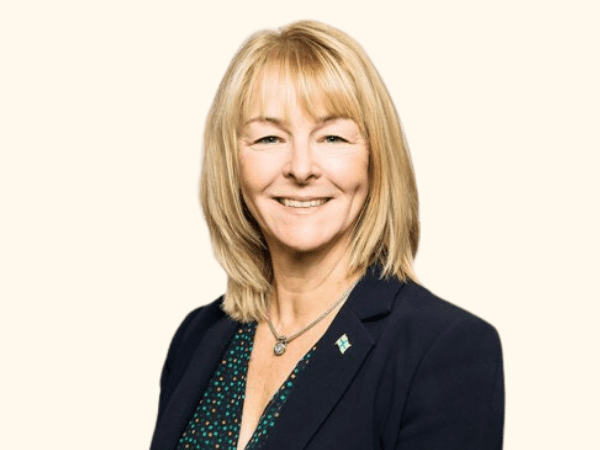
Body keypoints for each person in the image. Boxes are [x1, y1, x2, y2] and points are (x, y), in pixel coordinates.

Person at [149, 20, 504, 450]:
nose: (301, 168)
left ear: (375, 158)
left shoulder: (445, 349)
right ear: (233, 163)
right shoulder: (199, 336)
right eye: (269, 137)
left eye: (332, 137)